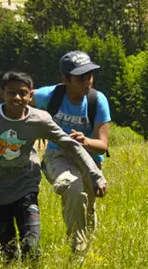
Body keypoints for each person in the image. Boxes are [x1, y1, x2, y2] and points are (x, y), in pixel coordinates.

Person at [0, 71, 108, 263]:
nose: (17, 98)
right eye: (11, 92)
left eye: (23, 93)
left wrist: (95, 175)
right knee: (7, 256)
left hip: (26, 188)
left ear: (30, 95)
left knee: (32, 247)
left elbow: (70, 144)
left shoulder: (40, 120)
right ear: (2, 93)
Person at [33, 51, 111, 252]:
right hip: (57, 156)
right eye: (81, 78)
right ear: (66, 79)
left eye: (90, 76)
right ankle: (77, 248)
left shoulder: (97, 101)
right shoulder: (49, 96)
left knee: (88, 209)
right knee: (74, 190)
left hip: (90, 159)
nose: (88, 82)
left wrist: (85, 141)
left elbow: (103, 144)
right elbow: (18, 101)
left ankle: (86, 252)